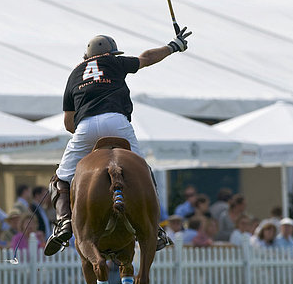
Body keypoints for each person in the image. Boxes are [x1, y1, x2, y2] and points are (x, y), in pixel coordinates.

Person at [44, 29, 192, 256]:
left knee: (60, 179)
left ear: (87, 57)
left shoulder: (74, 74)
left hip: (84, 127)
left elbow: (67, 123)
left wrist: (88, 135)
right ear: (111, 53)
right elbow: (147, 58)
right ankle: (155, 229)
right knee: (143, 172)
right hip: (117, 122)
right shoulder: (114, 62)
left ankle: (64, 223)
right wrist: (174, 46)